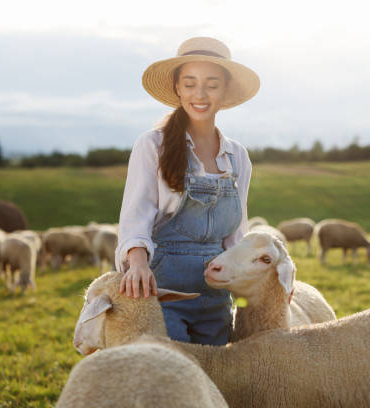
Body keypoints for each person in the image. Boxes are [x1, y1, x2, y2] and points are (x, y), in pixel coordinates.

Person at [115, 37, 260, 346]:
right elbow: (136, 217)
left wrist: (259, 282)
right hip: (162, 295)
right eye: (190, 83)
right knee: (172, 379)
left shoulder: (238, 157)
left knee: (218, 380)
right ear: (177, 88)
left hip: (216, 297)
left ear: (225, 91)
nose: (200, 94)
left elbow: (236, 236)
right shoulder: (152, 146)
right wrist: (137, 264)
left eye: (212, 84)